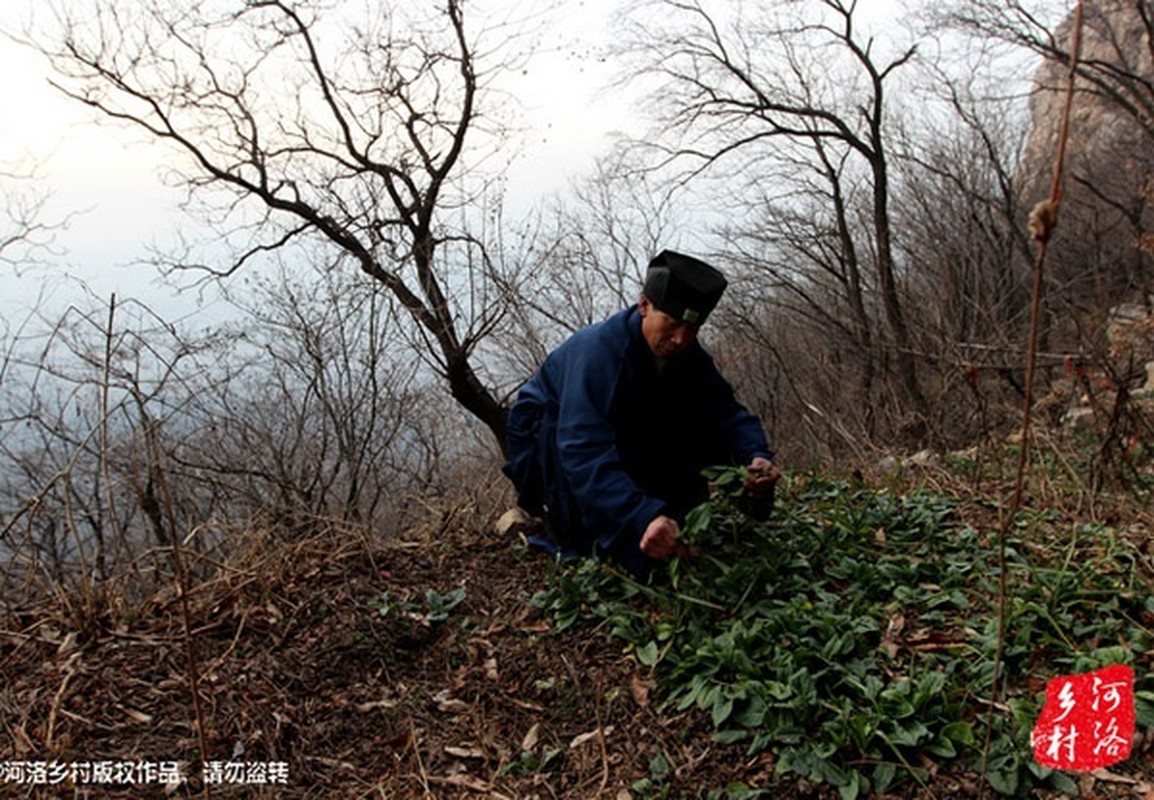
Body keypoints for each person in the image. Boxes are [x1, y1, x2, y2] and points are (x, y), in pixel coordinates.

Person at [502, 249, 780, 578]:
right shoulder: (599, 355)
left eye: (693, 329)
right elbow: (583, 450)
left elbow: (726, 415)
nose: (681, 339)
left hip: (624, 431)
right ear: (645, 305)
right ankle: (570, 526)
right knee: (617, 546)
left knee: (693, 425)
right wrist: (639, 516)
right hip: (552, 445)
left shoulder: (688, 355)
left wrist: (755, 456)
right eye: (673, 324)